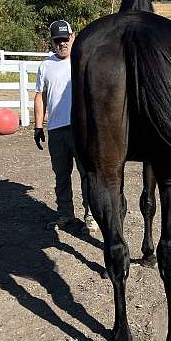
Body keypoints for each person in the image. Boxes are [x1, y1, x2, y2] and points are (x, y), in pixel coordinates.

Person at [34, 20, 98, 233]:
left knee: (86, 174)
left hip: (80, 128)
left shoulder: (83, 60)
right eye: (57, 40)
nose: (62, 44)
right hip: (56, 130)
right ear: (52, 41)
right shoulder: (45, 66)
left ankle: (91, 216)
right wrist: (38, 126)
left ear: (73, 37)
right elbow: (40, 97)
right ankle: (66, 214)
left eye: (65, 39)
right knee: (61, 175)